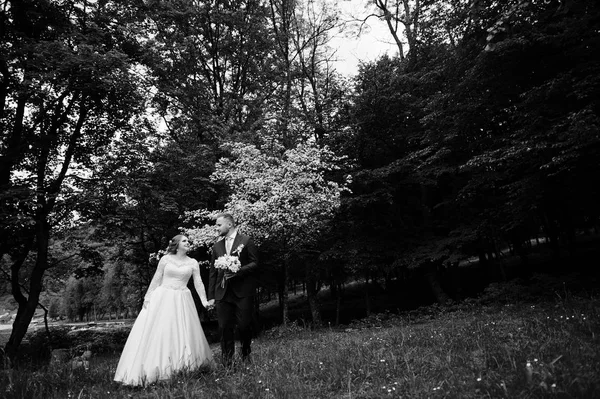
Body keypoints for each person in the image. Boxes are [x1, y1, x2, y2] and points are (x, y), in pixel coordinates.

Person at [114, 235, 214, 386]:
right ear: (176, 244)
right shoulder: (166, 259)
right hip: (163, 297)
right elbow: (157, 277)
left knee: (183, 331)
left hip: (182, 298)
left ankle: (183, 367)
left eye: (188, 241)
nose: (188, 243)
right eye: (184, 241)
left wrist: (204, 301)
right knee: (162, 330)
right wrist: (147, 297)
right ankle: (156, 369)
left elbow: (198, 282)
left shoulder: (193, 262)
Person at [208, 213, 259, 367]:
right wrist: (211, 296)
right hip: (222, 293)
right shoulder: (216, 246)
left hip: (242, 292)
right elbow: (212, 273)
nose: (216, 228)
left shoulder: (246, 240)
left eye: (218, 225)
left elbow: (255, 263)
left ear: (229, 225)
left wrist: (239, 270)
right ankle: (227, 362)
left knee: (244, 325)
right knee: (224, 328)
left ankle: (245, 355)